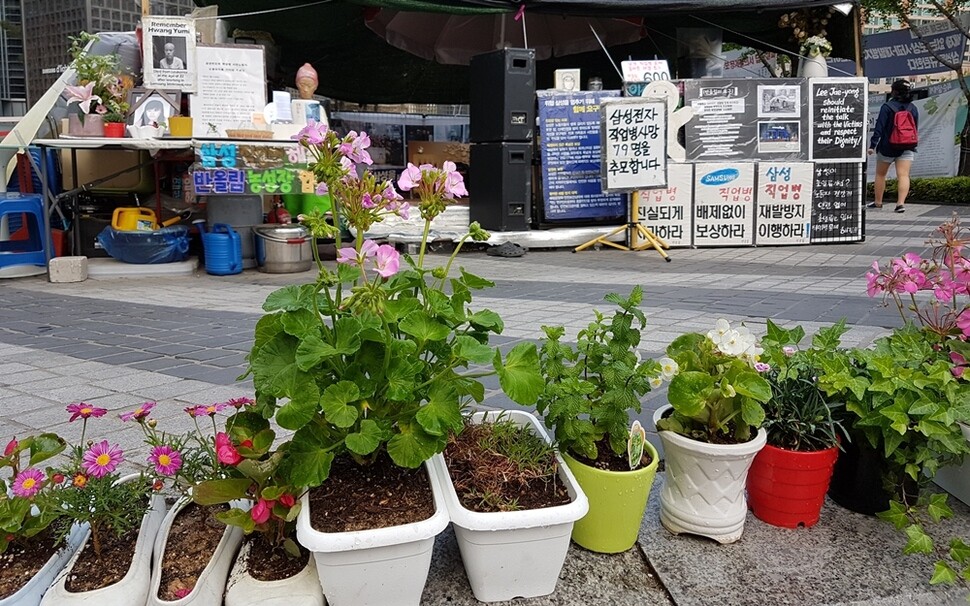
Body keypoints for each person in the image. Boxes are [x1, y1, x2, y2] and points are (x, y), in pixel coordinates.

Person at [868, 79, 918, 213]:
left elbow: (879, 127)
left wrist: (872, 145)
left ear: (894, 91)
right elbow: (915, 128)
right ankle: (900, 204)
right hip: (907, 147)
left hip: (887, 147)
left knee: (880, 174)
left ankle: (878, 202)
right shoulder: (912, 108)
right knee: (903, 175)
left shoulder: (887, 107)